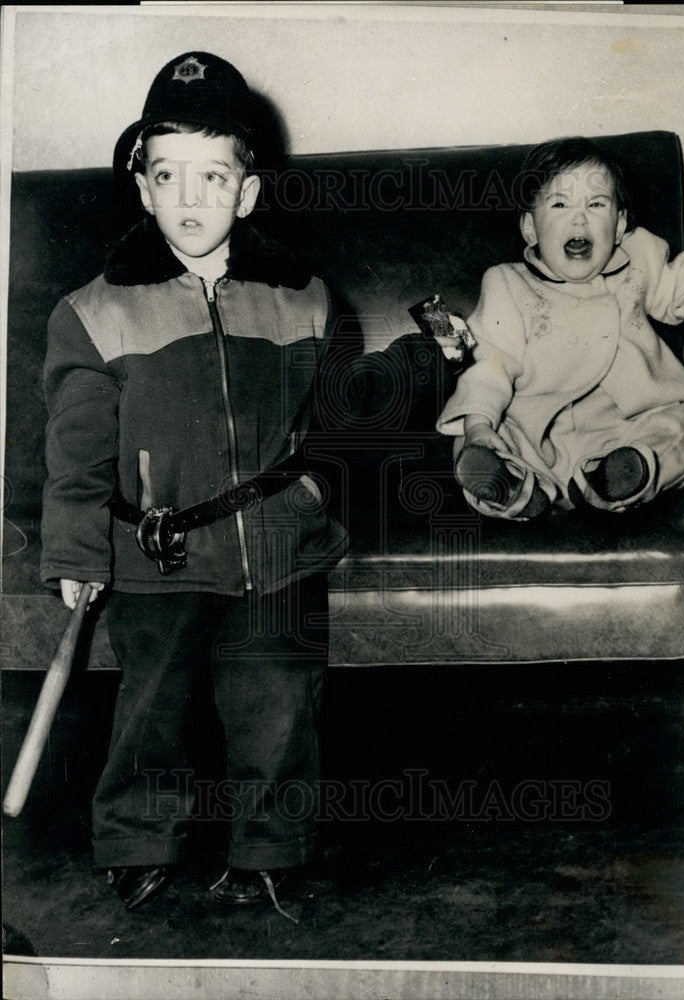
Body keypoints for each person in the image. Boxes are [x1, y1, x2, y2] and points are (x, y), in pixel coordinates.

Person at [40, 52, 464, 914]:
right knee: (151, 706)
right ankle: (137, 839)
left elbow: (345, 409)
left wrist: (426, 359)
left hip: (277, 545)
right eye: (168, 174)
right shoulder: (93, 311)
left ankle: (273, 848)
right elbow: (77, 454)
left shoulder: (303, 298)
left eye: (214, 174)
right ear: (142, 188)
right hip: (156, 553)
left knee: (278, 704)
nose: (190, 196)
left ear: (247, 192)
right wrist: (77, 553)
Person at [437, 136, 684, 520]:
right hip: (538, 436)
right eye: (560, 204)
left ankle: (621, 476)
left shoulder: (638, 260)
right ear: (530, 229)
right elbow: (491, 365)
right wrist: (478, 427)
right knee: (481, 442)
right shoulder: (506, 282)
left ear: (620, 226)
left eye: (596, 204)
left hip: (627, 429)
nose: (579, 219)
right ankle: (516, 489)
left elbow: (682, 276)